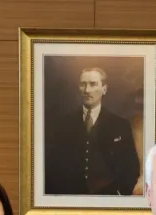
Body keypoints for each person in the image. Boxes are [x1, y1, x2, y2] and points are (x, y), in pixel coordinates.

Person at [44, 67, 140, 196]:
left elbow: (131, 167)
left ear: (104, 89)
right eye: (83, 84)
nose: (87, 90)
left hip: (108, 196)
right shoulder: (62, 124)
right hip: (70, 196)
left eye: (93, 84)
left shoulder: (120, 125)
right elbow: (51, 165)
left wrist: (119, 193)